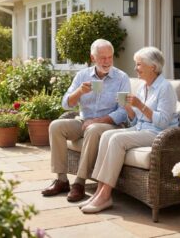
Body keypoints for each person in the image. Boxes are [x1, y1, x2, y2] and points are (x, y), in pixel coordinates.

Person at [79, 46, 179, 213]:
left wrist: (140, 105)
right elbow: (135, 121)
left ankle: (105, 195)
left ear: (152, 67)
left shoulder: (165, 88)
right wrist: (128, 109)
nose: (135, 68)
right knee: (107, 135)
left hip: (159, 134)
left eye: (139, 64)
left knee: (117, 139)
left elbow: (162, 122)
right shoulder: (143, 87)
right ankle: (99, 192)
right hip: (142, 129)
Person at [42, 39, 131, 202]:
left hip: (109, 124)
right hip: (83, 121)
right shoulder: (82, 75)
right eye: (103, 58)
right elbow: (66, 104)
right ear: (93, 58)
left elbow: (123, 111)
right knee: (56, 126)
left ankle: (80, 183)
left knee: (92, 128)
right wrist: (79, 92)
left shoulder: (121, 78)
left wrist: (98, 120)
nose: (107, 61)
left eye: (110, 57)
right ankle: (61, 180)